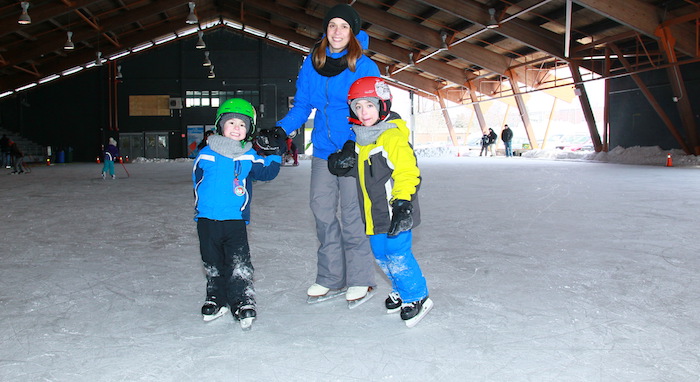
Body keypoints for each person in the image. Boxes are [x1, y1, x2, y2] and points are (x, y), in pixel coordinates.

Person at [255, 4, 380, 306]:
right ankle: (330, 277)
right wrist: (282, 131)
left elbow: (372, 112)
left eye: (344, 26)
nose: (337, 32)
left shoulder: (363, 66)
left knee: (352, 216)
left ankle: (360, 279)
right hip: (323, 152)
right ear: (326, 29)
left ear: (352, 32)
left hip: (355, 150)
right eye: (332, 25)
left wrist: (353, 145)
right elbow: (302, 106)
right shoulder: (313, 63)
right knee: (322, 213)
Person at [328, 77, 432, 327]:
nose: (364, 113)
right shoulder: (363, 139)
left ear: (383, 106)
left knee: (397, 253)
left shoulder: (392, 137)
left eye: (370, 106)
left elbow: (407, 171)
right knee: (381, 255)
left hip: (395, 211)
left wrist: (403, 203)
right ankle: (400, 287)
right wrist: (341, 164)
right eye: (358, 107)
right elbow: (361, 172)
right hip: (373, 215)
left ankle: (417, 295)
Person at [192, 98, 284, 330]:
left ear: (249, 130)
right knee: (212, 262)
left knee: (238, 263)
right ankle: (216, 298)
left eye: (242, 124)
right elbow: (198, 181)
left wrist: (274, 152)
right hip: (207, 220)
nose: (236, 128)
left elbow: (266, 173)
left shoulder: (248, 155)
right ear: (220, 126)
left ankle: (243, 300)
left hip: (234, 220)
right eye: (231, 122)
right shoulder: (206, 154)